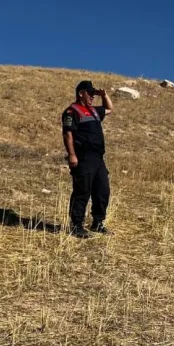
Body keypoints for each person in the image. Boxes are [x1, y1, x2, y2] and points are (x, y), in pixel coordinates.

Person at [61, 79, 114, 238]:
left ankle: (98, 223)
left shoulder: (94, 111)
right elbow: (67, 134)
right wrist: (71, 154)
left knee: (102, 190)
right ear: (80, 93)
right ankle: (76, 225)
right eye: (89, 93)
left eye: (93, 93)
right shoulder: (72, 111)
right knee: (82, 191)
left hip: (98, 158)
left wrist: (103, 95)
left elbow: (110, 108)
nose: (92, 96)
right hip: (83, 157)